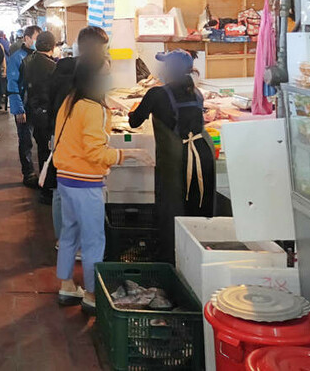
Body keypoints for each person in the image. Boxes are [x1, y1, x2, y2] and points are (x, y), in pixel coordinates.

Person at [54, 59, 144, 314]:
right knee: (93, 240)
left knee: (69, 234)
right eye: (105, 73)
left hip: (65, 178)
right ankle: (92, 294)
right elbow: (95, 153)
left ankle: (66, 285)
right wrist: (128, 154)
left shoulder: (71, 101)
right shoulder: (94, 108)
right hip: (85, 182)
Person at [128, 50, 215, 264]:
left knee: (172, 211)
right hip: (203, 156)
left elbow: (134, 122)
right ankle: (198, 262)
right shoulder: (196, 93)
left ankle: (171, 261)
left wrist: (134, 111)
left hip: (177, 160)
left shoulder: (156, 94)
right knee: (199, 209)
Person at [46, 26, 110, 238]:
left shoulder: (62, 67)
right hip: (75, 134)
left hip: (60, 132)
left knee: (60, 187)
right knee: (76, 186)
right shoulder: (88, 72)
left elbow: (52, 101)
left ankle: (63, 237)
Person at [21, 31, 57, 203]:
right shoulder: (52, 66)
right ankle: (48, 190)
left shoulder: (27, 61)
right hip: (47, 112)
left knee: (42, 150)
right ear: (52, 46)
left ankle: (44, 187)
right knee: (50, 153)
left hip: (34, 110)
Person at [6, 25, 42, 187]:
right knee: (26, 141)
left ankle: (44, 173)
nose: (38, 42)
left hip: (39, 106)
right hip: (24, 106)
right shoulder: (16, 58)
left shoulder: (40, 56)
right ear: (27, 38)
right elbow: (12, 84)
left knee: (42, 141)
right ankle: (28, 174)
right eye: (36, 39)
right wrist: (18, 109)